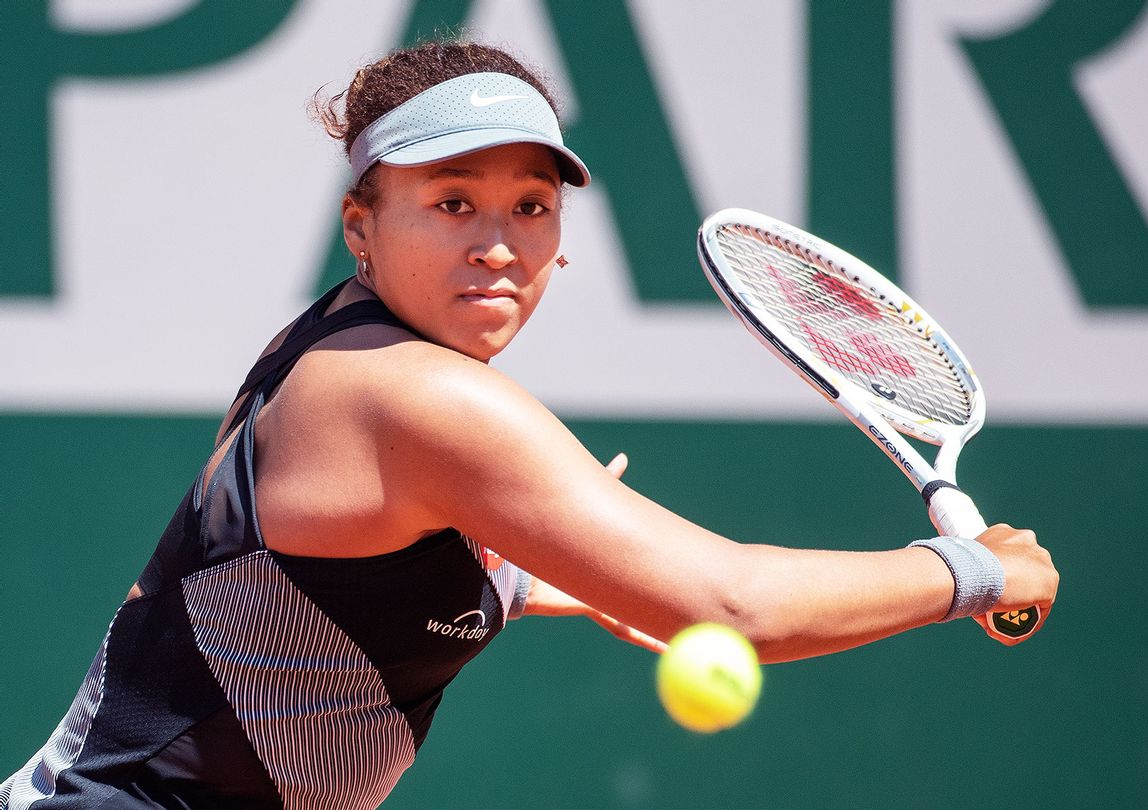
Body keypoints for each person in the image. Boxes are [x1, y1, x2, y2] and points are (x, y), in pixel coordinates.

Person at [1, 40, 1058, 809]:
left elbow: (308, 579)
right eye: (452, 202)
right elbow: (733, 606)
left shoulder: (337, 345)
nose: (499, 243)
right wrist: (972, 573)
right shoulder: (410, 396)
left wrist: (518, 576)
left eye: (530, 206)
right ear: (361, 226)